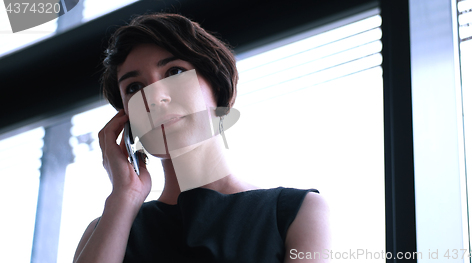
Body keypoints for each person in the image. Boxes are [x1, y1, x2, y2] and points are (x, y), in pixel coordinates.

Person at [73, 13, 330, 263]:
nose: (154, 96)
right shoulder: (108, 229)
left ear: (217, 88)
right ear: (126, 118)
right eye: (134, 88)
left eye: (174, 72)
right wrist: (124, 196)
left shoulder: (296, 212)